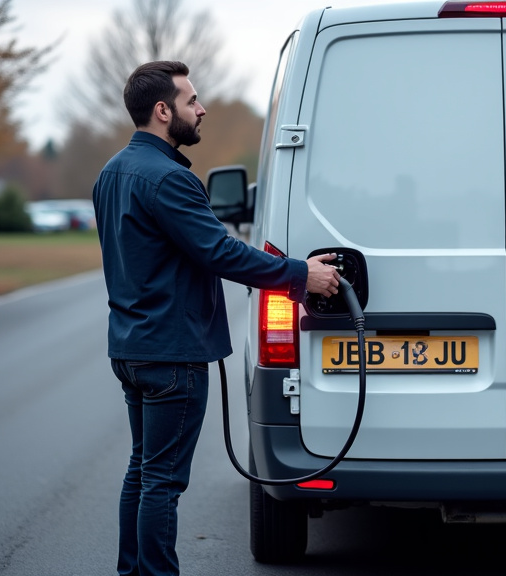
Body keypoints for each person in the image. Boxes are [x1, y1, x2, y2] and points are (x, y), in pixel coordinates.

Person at [92, 60, 339, 576]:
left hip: (131, 349)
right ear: (163, 111)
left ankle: (132, 572)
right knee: (161, 480)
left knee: (142, 472)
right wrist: (300, 275)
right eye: (191, 101)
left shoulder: (112, 172)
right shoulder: (168, 179)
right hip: (172, 352)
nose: (201, 109)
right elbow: (222, 253)